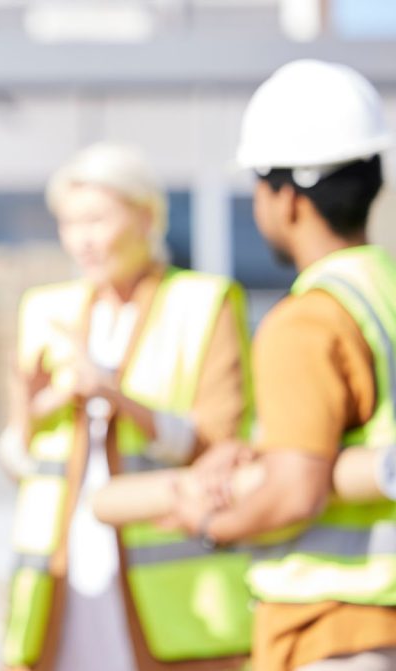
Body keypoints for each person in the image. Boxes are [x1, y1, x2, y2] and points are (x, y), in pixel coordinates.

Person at [169, 59, 396, 671]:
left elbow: (297, 492)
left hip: (337, 627)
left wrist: (212, 520)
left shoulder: (307, 320)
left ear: (287, 198)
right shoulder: (386, 291)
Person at [0, 143, 254, 671]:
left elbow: (221, 444)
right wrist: (31, 411)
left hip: (171, 592)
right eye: (69, 223)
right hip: (64, 579)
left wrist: (115, 397)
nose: (82, 241)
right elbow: (18, 465)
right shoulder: (45, 310)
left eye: (96, 219)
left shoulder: (204, 304)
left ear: (146, 215)